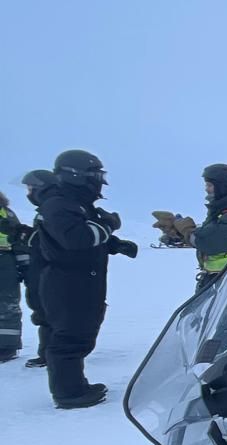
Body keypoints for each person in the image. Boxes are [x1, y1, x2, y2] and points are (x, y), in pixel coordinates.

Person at [38, 150, 138, 408]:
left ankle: (74, 384)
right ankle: (69, 393)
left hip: (82, 280)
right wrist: (108, 225)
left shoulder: (75, 203)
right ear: (76, 176)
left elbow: (89, 236)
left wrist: (116, 244)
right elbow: (77, 238)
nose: (99, 181)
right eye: (95, 175)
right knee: (70, 336)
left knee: (81, 331)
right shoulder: (58, 204)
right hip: (68, 283)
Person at [20, 169, 54, 367]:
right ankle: (46, 352)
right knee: (40, 309)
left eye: (31, 188)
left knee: (48, 310)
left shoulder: (53, 209)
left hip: (48, 270)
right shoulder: (45, 210)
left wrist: (30, 239)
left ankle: (50, 353)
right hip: (39, 268)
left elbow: (51, 240)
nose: (29, 193)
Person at [0, 192, 31, 363]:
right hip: (5, 262)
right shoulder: (7, 212)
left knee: (6, 305)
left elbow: (19, 241)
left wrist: (24, 267)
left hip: (4, 262)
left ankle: (6, 347)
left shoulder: (5, 214)